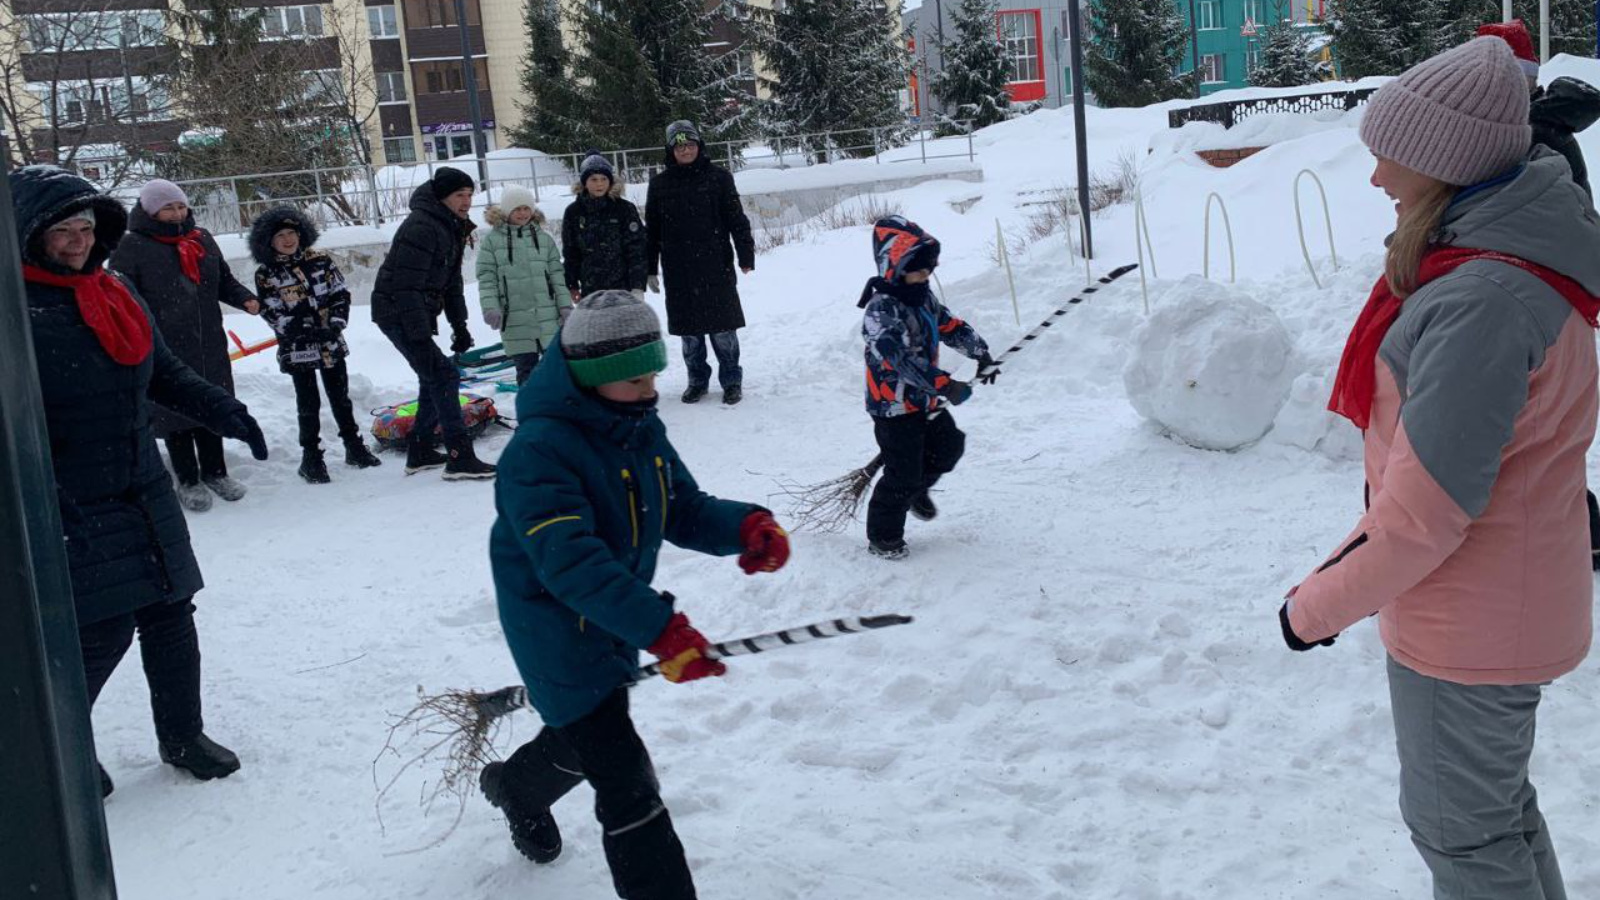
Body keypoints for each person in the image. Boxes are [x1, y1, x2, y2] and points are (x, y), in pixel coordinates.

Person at [1281, 37, 1598, 900]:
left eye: (1392, 156)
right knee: (1497, 819)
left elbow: (1424, 518)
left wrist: (1310, 610)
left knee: (1465, 840)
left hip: (1472, 625)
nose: (1378, 177)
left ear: (1443, 166)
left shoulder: (1479, 302)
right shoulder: (1508, 267)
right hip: (1507, 602)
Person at [478, 290, 790, 899]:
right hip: (556, 632)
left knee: (589, 729)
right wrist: (662, 630)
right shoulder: (538, 453)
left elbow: (680, 505)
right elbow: (570, 566)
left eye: (652, 373)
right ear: (592, 378)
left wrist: (745, 526)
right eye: (633, 378)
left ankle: (519, 787)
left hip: (613, 615)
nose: (649, 389)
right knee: (627, 784)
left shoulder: (634, 422)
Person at [11, 166, 270, 796]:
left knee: (171, 612)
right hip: (73, 498)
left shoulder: (115, 289)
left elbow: (165, 372)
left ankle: (183, 735)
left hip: (141, 481)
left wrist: (227, 412)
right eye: (61, 231)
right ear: (27, 234)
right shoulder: (15, 313)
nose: (76, 242)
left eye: (85, 228)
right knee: (98, 632)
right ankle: (61, 752)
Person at [1477, 18, 1600, 569]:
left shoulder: (1529, 139)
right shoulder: (1546, 127)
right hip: (1553, 297)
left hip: (1534, 302)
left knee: (1530, 432)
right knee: (1543, 432)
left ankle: (1577, 534)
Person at [111, 179, 260, 512]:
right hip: (164, 346)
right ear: (150, 210)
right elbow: (122, 297)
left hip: (208, 341)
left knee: (211, 406)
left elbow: (222, 280)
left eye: (180, 206)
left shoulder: (201, 239)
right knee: (174, 412)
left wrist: (246, 299)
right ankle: (188, 479)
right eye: (168, 207)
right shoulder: (131, 246)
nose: (177, 213)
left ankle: (216, 472)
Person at [859, 216, 999, 560]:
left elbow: (948, 326)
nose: (926, 277)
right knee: (901, 473)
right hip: (892, 408)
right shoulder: (880, 312)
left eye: (928, 270)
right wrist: (946, 385)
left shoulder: (922, 297)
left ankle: (914, 491)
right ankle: (883, 537)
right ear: (894, 267)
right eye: (918, 270)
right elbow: (900, 361)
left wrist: (980, 352)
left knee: (950, 446)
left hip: (923, 400)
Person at [370, 166, 495, 480]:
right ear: (443, 197)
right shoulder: (422, 227)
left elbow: (451, 282)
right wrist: (419, 331)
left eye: (469, 195)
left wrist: (460, 325)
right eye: (459, 195)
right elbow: (405, 285)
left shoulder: (451, 225)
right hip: (397, 311)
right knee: (443, 375)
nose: (466, 201)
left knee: (433, 376)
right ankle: (459, 456)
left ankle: (421, 449)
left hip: (416, 311)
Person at [249, 206, 383, 482]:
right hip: (297, 348)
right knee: (307, 402)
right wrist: (304, 331)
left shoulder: (320, 260)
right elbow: (272, 312)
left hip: (331, 341)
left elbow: (339, 292)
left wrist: (335, 322)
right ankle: (310, 456)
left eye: (292, 233)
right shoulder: (266, 273)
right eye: (280, 236)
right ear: (268, 242)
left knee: (340, 397)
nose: (288, 240)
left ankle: (353, 446)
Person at [645, 120, 756, 405]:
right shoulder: (659, 185)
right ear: (671, 150)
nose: (686, 150)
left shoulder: (718, 178)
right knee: (690, 333)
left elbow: (736, 218)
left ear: (699, 146)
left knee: (723, 330)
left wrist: (745, 254)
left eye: (690, 145)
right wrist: (649, 267)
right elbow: (652, 230)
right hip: (678, 269)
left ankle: (731, 380)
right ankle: (697, 381)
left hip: (715, 264)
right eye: (680, 146)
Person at [478, 185, 570, 385]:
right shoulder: (492, 242)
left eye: (526, 208)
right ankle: (531, 413)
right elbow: (487, 278)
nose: (523, 213)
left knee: (555, 371)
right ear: (507, 211)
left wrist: (564, 305)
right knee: (526, 373)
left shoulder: (544, 240)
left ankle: (558, 413)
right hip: (515, 319)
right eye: (517, 209)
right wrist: (490, 307)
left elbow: (556, 275)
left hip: (547, 317)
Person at [561, 152, 648, 300]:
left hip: (623, 289)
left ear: (610, 181)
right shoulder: (574, 212)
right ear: (584, 182)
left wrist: (637, 286)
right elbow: (571, 253)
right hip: (591, 291)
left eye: (603, 179)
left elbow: (636, 249)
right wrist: (572, 284)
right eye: (593, 179)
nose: (599, 184)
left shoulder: (625, 209)